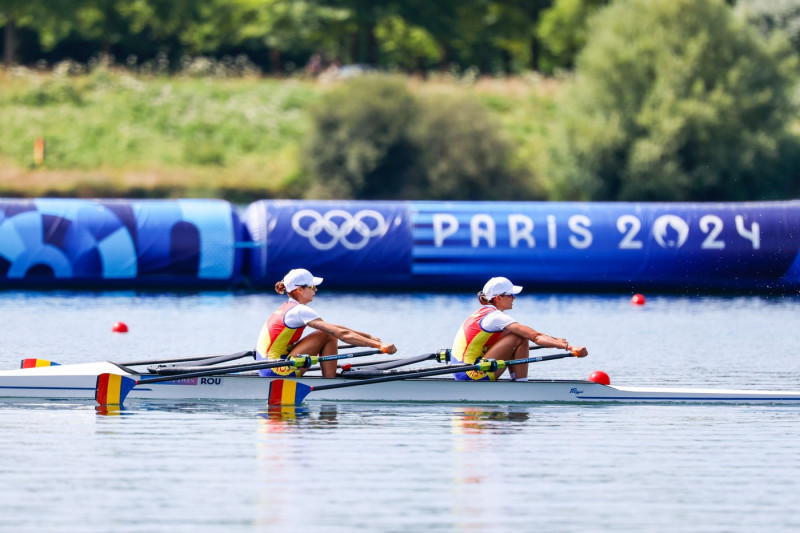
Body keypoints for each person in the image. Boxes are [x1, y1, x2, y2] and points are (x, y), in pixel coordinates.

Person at [256, 268, 397, 378]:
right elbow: (339, 333)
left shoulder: (288, 308)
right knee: (328, 334)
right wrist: (379, 346)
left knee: (328, 332)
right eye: (312, 287)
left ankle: (330, 377)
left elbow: (334, 328)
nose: (316, 290)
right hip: (278, 371)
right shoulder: (300, 310)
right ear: (299, 289)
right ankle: (330, 380)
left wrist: (368, 336)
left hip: (268, 367)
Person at [451, 277, 587, 381]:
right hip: (472, 373)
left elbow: (534, 334)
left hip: (464, 371)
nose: (514, 298)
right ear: (499, 298)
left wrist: (554, 340)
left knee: (516, 334)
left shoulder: (483, 314)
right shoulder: (496, 317)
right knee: (520, 337)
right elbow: (534, 337)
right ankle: (521, 384)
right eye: (510, 295)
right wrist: (569, 347)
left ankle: (518, 382)